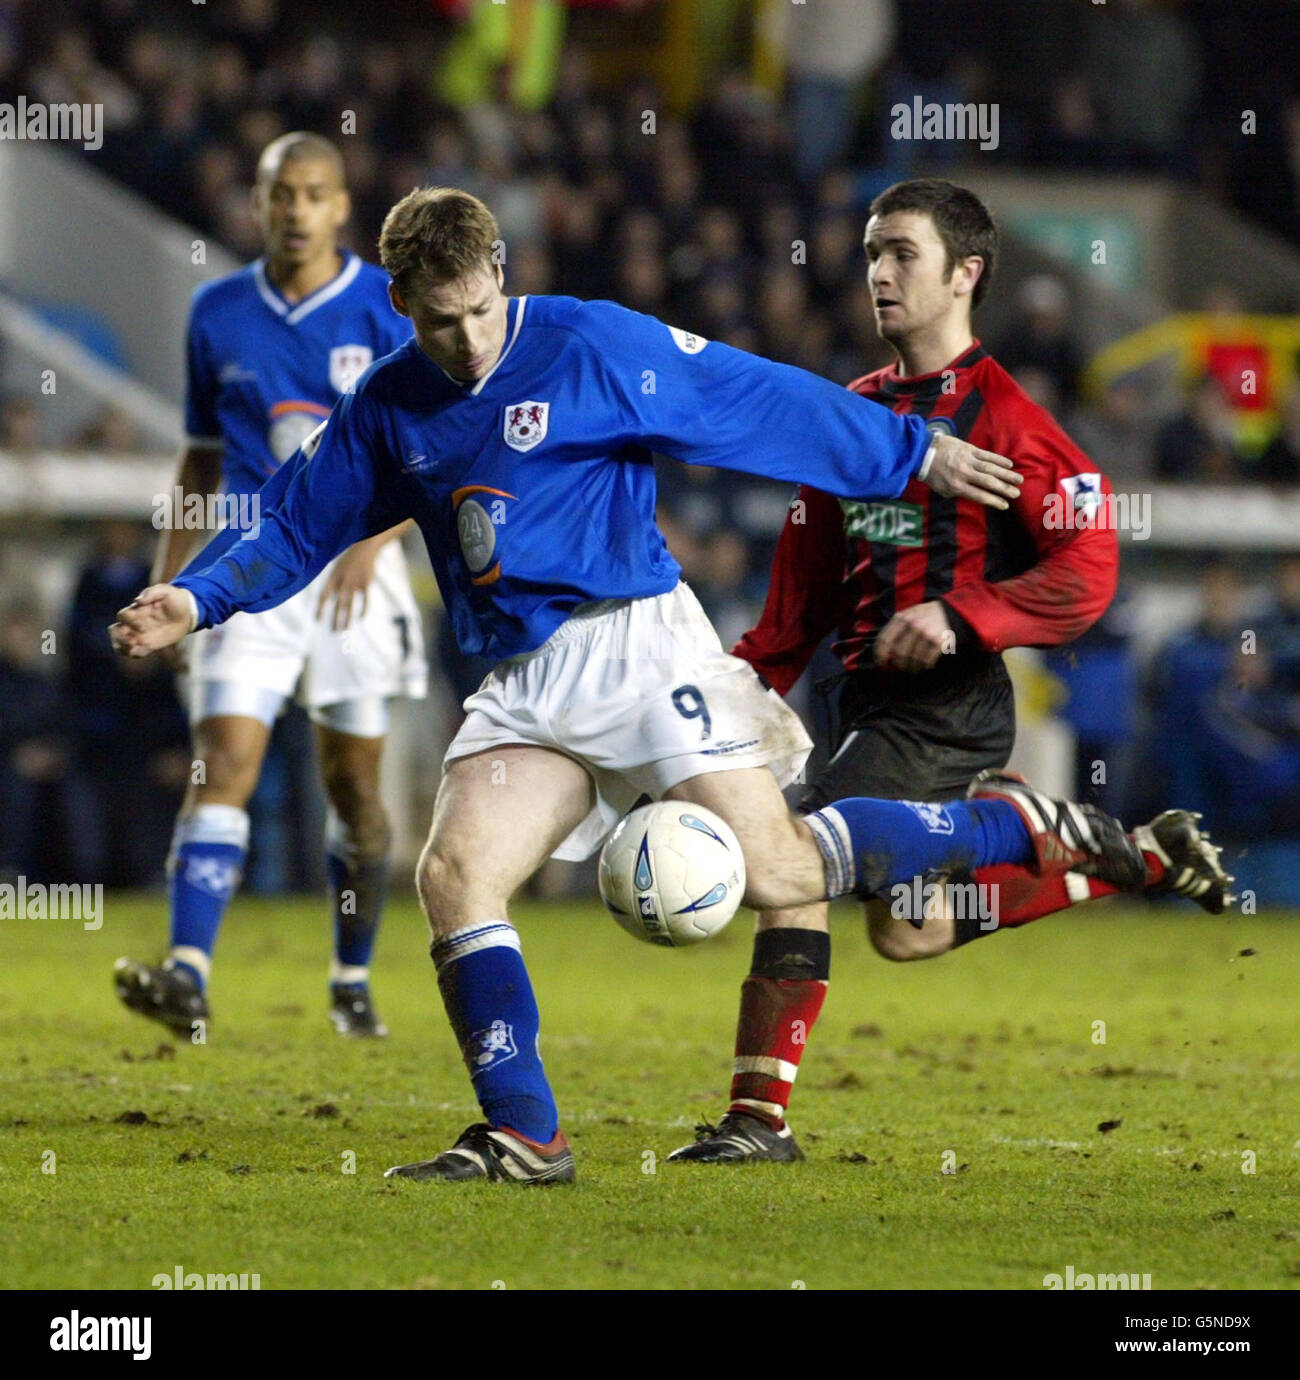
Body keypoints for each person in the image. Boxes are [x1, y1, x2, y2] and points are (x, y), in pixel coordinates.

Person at [111, 186, 1145, 1186]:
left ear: (500, 278)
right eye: (440, 322)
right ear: (399, 306)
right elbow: (297, 520)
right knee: (453, 875)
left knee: (784, 875)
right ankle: (525, 1137)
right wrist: (196, 601)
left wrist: (908, 450)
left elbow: (750, 395)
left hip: (641, 652)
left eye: (480, 311)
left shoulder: (591, 344)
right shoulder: (390, 404)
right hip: (524, 682)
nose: (469, 342)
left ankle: (1015, 830)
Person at [672, 179, 1234, 1165]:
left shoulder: (1010, 422)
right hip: (853, 700)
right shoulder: (854, 414)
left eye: (901, 254)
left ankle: (757, 1122)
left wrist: (964, 614)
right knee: (911, 931)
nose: (879, 274)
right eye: (871, 254)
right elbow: (803, 581)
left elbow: (1087, 561)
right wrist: (746, 676)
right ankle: (1118, 857)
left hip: (943, 706)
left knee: (796, 861)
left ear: (965, 273)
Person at [113, 133, 427, 1040]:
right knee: (226, 760)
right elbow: (202, 460)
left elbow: (437, 442)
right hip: (245, 567)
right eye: (280, 193)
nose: (295, 209)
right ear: (257, 203)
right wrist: (168, 582)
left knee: (356, 791)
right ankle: (187, 976)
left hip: (356, 579)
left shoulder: (385, 304)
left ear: (341, 207)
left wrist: (379, 541)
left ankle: (351, 974)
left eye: (314, 193)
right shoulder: (216, 313)